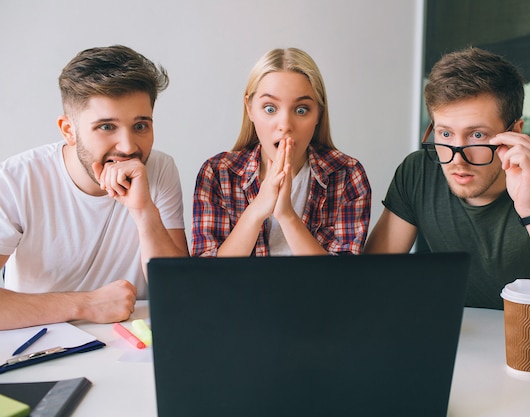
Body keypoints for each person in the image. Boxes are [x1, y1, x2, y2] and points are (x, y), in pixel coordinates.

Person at [365, 47, 530, 357]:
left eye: (477, 135)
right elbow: (369, 287)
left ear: (515, 132)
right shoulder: (418, 170)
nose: (457, 160)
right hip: (462, 351)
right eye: (445, 134)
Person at [0, 45, 189, 330]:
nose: (128, 147)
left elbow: (181, 293)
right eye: (106, 127)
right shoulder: (17, 179)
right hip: (38, 341)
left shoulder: (160, 169)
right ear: (68, 131)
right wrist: (86, 304)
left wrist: (143, 211)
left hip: (129, 342)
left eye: (140, 126)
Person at [192, 48, 371, 257]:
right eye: (270, 108)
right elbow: (207, 277)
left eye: (301, 110)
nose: (285, 125)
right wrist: (257, 210)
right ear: (250, 109)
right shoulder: (217, 173)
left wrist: (286, 215)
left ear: (318, 115)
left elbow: (342, 282)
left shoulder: (347, 175)